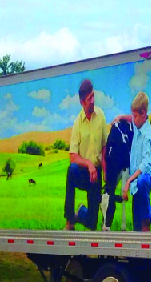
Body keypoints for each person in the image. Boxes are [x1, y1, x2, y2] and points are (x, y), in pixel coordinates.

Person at [64, 79, 107, 231]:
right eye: (89, 98)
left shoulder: (101, 116)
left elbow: (104, 146)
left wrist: (105, 170)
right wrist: (88, 164)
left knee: (92, 224)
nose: (93, 100)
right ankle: (70, 220)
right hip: (84, 172)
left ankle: (81, 212)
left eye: (93, 96)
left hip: (96, 174)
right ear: (82, 102)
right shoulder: (78, 123)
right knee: (71, 171)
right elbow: (73, 156)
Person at [121, 92, 151, 232]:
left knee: (142, 181)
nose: (133, 119)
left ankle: (146, 222)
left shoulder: (148, 136)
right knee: (136, 228)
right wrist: (120, 118)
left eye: (135, 116)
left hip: (145, 178)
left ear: (143, 114)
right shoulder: (138, 124)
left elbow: (145, 165)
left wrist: (128, 181)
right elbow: (131, 119)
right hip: (135, 182)